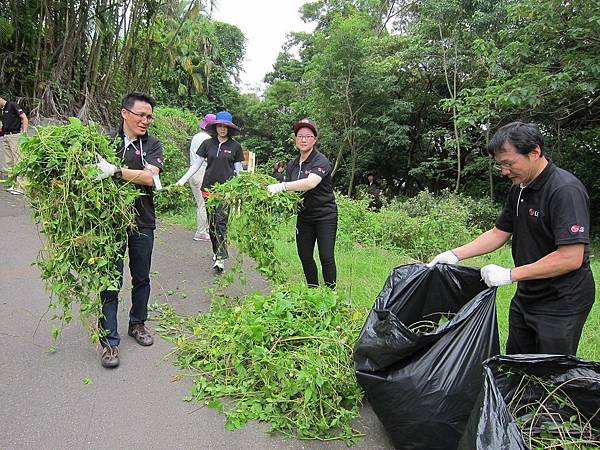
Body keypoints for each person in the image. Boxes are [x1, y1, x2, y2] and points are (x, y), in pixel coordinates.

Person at [428, 122, 595, 356]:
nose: (505, 171)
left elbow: (570, 257)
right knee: (516, 363)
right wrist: (455, 254)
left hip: (562, 299)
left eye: (509, 163)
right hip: (528, 293)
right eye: (501, 165)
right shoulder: (520, 188)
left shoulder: (564, 190)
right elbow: (499, 232)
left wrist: (510, 274)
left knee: (550, 371)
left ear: (534, 152)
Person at [92, 92, 164, 368]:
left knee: (141, 276)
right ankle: (109, 342)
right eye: (140, 115)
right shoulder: (106, 143)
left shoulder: (153, 145)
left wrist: (116, 171)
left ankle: (138, 323)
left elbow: (150, 176)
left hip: (143, 219)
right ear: (125, 113)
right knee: (110, 279)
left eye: (149, 117)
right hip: (110, 220)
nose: (145, 121)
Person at [267, 118, 338, 288]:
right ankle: (312, 290)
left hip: (325, 216)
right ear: (295, 139)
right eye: (300, 136)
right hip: (304, 217)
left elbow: (310, 183)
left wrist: (281, 186)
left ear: (315, 139)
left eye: (308, 136)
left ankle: (331, 293)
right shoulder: (292, 165)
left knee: (326, 256)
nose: (304, 140)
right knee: (305, 255)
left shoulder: (320, 161)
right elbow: (292, 193)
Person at [176, 111, 244, 273]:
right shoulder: (208, 144)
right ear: (215, 127)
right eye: (219, 126)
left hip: (226, 191)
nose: (222, 129)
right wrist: (182, 180)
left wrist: (241, 188)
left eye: (225, 126)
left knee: (221, 222)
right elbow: (196, 165)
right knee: (212, 223)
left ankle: (220, 258)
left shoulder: (235, 147)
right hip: (208, 189)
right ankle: (216, 251)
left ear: (229, 128)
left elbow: (239, 171)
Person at [188, 113, 216, 242]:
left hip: (192, 173)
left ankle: (202, 230)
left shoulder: (196, 136)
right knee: (203, 204)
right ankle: (201, 232)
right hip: (202, 172)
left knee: (200, 202)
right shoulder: (207, 139)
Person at [0, 96, 29, 194]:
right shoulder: (3, 110)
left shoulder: (12, 105)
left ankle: (22, 187)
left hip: (16, 136)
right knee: (9, 162)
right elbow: (6, 125)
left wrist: (24, 134)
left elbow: (24, 118)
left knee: (19, 160)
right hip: (6, 136)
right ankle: (13, 184)